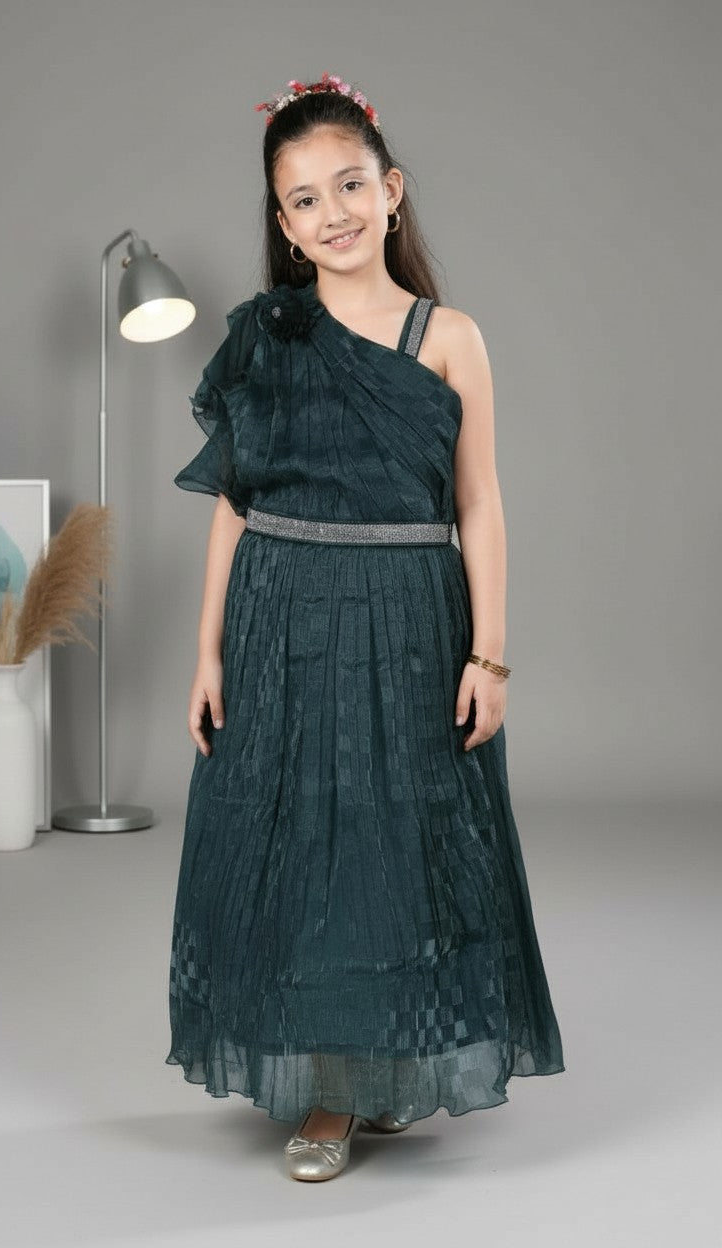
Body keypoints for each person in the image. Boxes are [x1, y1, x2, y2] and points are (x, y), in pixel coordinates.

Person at [165, 71, 565, 1183]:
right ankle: (333, 1091)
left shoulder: (450, 336)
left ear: (391, 191)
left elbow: (480, 504)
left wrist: (490, 654)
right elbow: (233, 507)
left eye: (349, 185)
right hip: (279, 619)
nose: (331, 212)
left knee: (398, 846)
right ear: (284, 224)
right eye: (304, 199)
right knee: (296, 844)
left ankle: (375, 1065)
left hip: (408, 622)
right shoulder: (263, 338)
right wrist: (204, 651)